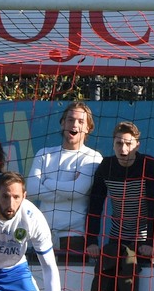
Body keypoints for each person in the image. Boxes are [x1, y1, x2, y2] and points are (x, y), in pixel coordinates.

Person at [86, 121, 154, 291]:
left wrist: (151, 242)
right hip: (118, 235)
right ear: (113, 144)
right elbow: (95, 206)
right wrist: (91, 240)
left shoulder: (149, 165)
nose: (123, 149)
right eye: (119, 143)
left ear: (137, 145)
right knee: (110, 271)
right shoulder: (106, 166)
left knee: (137, 277)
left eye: (128, 144)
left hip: (146, 236)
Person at [26, 101, 102, 257]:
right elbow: (32, 190)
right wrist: (67, 188)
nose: (74, 125)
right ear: (62, 124)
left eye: (81, 122)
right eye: (70, 120)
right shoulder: (44, 154)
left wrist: (46, 182)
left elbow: (77, 190)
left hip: (73, 237)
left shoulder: (93, 157)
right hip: (41, 234)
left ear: (88, 128)